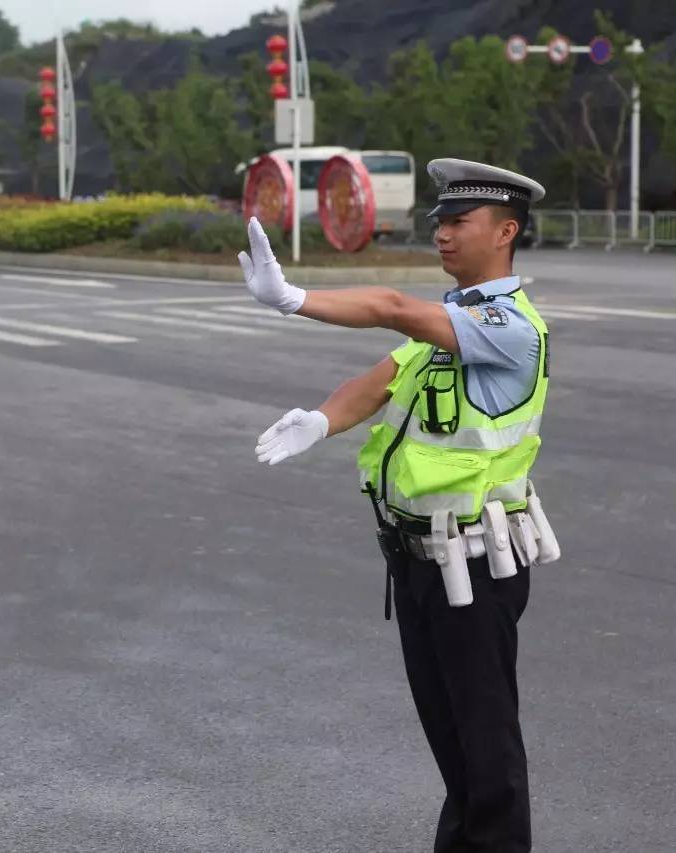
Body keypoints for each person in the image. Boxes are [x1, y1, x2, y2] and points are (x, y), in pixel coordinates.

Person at [239, 158, 561, 853]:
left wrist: (293, 297)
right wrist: (323, 420)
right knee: (454, 745)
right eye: (438, 221)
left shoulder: (509, 328)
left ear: (506, 230)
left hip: (473, 565)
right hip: (418, 562)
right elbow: (377, 381)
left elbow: (389, 306)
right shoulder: (454, 319)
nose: (442, 233)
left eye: (458, 221)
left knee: (486, 747)